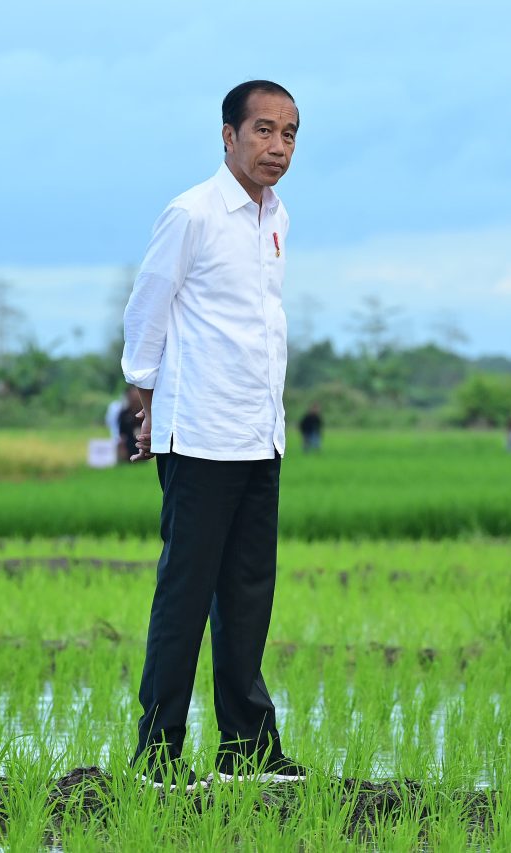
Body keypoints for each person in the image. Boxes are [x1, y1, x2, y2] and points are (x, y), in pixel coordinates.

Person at [120, 80, 305, 792]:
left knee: (249, 592)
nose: (277, 147)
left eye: (289, 134)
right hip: (197, 432)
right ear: (227, 135)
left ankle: (247, 751)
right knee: (185, 595)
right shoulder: (192, 213)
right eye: (263, 130)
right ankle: (159, 758)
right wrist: (143, 387)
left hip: (259, 433)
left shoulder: (277, 216)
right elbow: (149, 304)